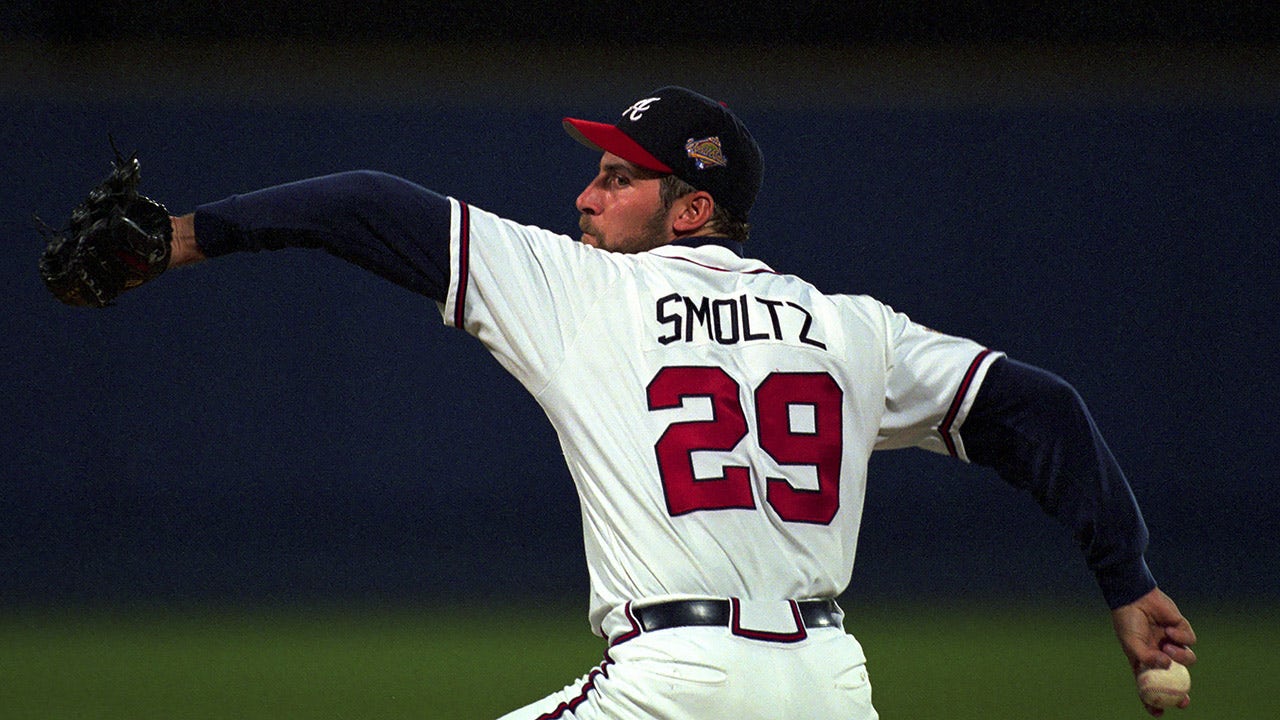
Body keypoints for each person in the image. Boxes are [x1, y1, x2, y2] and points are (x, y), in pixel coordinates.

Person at [150, 86, 1195, 718]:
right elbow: (1039, 410)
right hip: (829, 684)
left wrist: (182, 236)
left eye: (616, 178)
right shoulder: (853, 329)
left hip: (675, 680)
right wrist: (1126, 578)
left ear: (692, 209)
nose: (584, 198)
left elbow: (363, 206)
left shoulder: (581, 287)